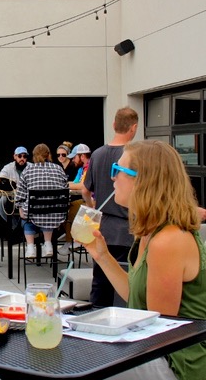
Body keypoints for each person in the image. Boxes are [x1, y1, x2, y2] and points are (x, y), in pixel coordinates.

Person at [83, 140, 206, 380]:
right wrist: (102, 256)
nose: (112, 178)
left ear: (144, 181)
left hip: (179, 363)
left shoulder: (167, 240)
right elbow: (138, 297)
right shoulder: (150, 232)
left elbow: (155, 328)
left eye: (118, 170)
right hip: (157, 352)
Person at [82, 106, 138, 307]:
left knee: (100, 283)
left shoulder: (97, 154)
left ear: (114, 125)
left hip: (102, 228)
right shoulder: (133, 155)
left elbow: (85, 190)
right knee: (126, 285)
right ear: (134, 128)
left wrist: (93, 208)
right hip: (127, 230)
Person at [15, 143, 69, 258]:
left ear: (34, 156)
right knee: (47, 213)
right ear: (48, 155)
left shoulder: (28, 170)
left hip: (33, 213)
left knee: (26, 215)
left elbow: (20, 195)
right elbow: (66, 192)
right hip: (55, 215)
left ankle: (30, 247)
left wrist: (20, 207)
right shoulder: (59, 168)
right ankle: (48, 244)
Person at [0, 146, 29, 222]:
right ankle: (8, 223)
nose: (22, 158)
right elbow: (0, 178)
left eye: (24, 156)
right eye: (19, 156)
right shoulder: (8, 167)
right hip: (11, 196)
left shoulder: (31, 167)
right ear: (15, 156)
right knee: (2, 200)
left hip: (27, 196)